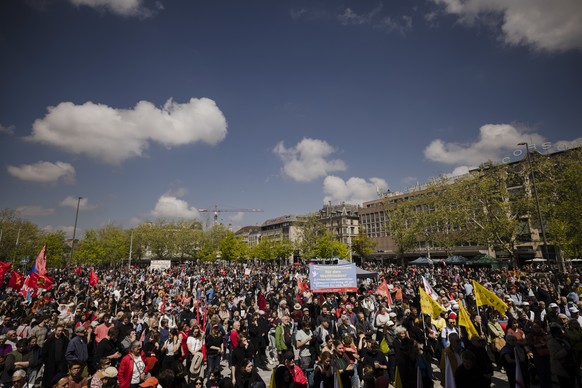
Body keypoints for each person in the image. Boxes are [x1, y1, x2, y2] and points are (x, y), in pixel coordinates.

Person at [547, 324, 577, 388]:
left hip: (570, 365)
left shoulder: (564, 339)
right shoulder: (551, 342)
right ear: (554, 334)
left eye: (561, 332)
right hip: (561, 367)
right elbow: (555, 355)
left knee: (572, 383)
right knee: (565, 384)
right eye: (559, 333)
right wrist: (566, 350)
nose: (561, 333)